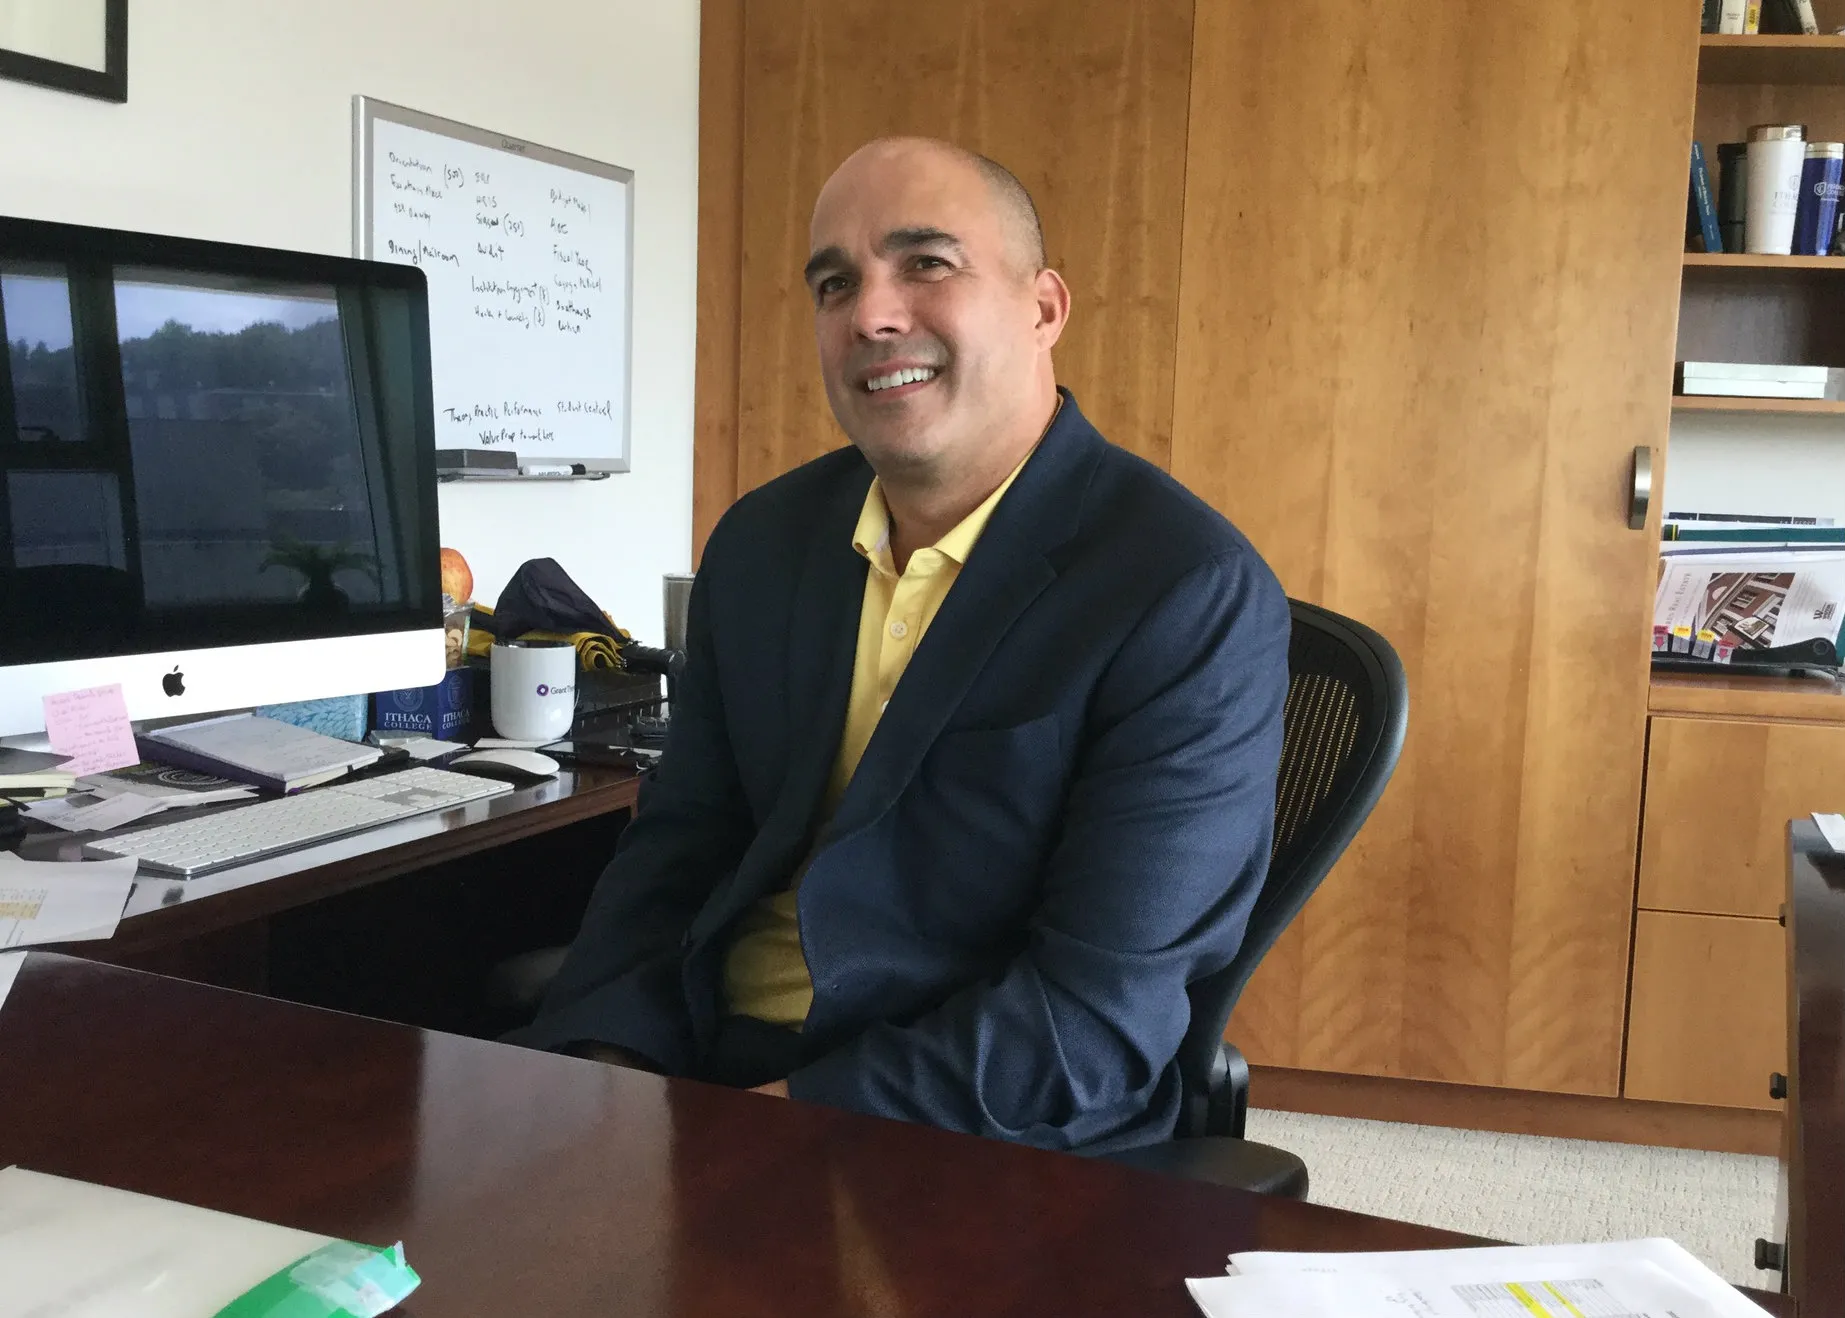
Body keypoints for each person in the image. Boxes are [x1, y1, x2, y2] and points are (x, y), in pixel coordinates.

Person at [512, 137, 1289, 1153]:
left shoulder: (1184, 591)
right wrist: (605, 1070)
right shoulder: (762, 542)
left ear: (1044, 308)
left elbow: (1094, 1018)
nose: (871, 315)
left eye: (927, 264)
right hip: (709, 1067)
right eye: (835, 283)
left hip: (966, 1125)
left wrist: (754, 1144)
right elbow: (678, 845)